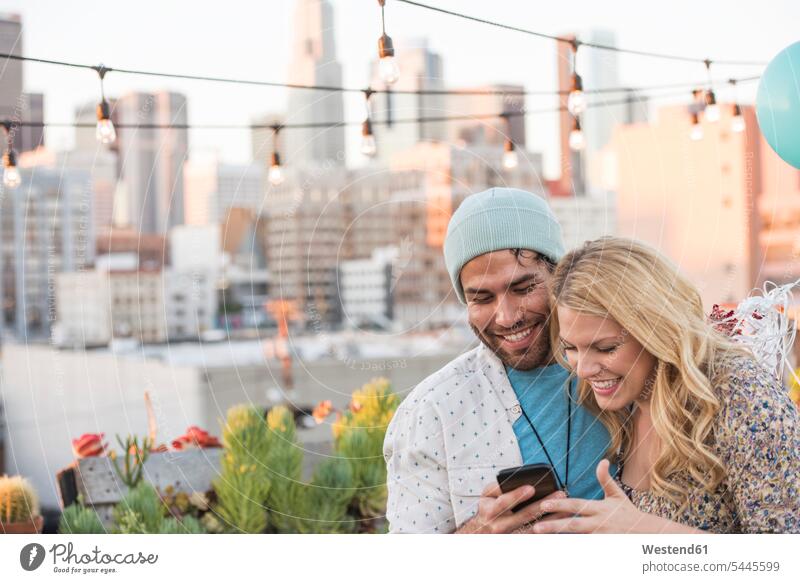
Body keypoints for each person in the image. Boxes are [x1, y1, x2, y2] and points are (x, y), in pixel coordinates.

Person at [383, 187, 615, 533]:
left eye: (523, 289)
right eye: (481, 298)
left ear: (560, 275)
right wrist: (481, 534)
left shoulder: (626, 369)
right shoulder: (432, 411)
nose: (506, 317)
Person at [533, 237, 800, 533]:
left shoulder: (742, 396)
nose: (583, 370)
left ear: (656, 329)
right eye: (570, 347)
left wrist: (646, 532)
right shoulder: (617, 402)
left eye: (606, 348)